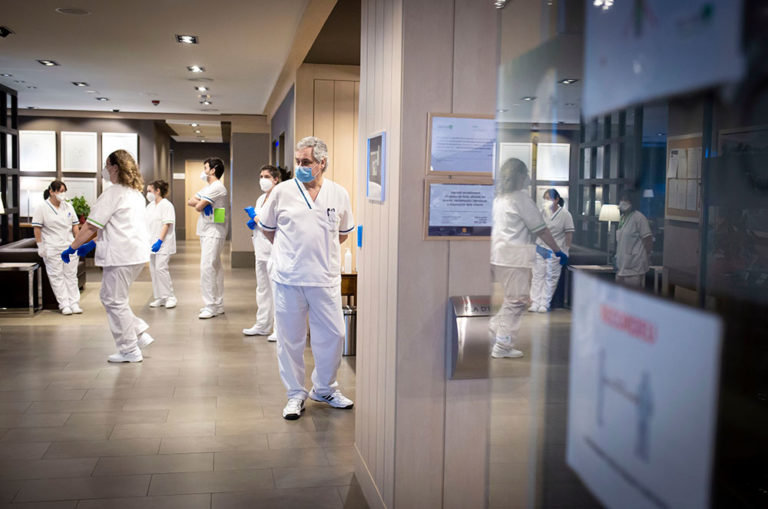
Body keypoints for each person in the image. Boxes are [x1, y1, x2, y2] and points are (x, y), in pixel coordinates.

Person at [259, 136, 355, 420]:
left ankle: (324, 388)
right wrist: (291, 253)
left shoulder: (338, 193)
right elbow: (267, 228)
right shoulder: (282, 192)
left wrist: (318, 252)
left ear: (322, 163)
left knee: (334, 335)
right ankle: (295, 394)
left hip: (324, 278)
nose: (300, 166)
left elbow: (343, 233)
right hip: (288, 278)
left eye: (306, 162)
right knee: (291, 339)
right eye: (298, 161)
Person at [61, 150, 155, 363]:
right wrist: (91, 244)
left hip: (121, 255)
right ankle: (138, 333)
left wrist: (72, 247)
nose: (104, 169)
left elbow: (91, 225)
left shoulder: (113, 194)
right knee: (112, 298)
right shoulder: (135, 194)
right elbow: (117, 226)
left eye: (107, 165)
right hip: (134, 254)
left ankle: (129, 349)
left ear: (115, 167)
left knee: (114, 300)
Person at [489, 158, 568, 359]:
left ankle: (495, 329)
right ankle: (502, 344)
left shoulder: (499, 198)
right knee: (517, 301)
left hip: (499, 256)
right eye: (526, 174)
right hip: (513, 258)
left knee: (513, 299)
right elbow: (541, 230)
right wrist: (558, 250)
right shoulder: (521, 199)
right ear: (520, 176)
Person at [243, 165, 282, 340]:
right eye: (260, 176)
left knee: (276, 290)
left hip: (273, 250)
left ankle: (279, 329)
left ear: (276, 179)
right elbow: (261, 221)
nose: (262, 180)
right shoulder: (261, 198)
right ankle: (263, 325)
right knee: (262, 289)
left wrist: (256, 218)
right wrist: (255, 221)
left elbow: (270, 223)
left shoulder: (279, 197)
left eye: (266, 176)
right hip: (260, 249)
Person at [31, 180, 82, 315]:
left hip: (69, 246)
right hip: (52, 247)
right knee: (57, 277)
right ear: (51, 192)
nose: (63, 194)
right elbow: (37, 228)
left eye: (64, 191)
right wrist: (40, 246)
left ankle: (74, 303)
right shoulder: (42, 207)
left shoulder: (68, 206)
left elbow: (75, 225)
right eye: (60, 191)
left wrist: (78, 243)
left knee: (71, 276)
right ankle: (64, 304)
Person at [187, 158, 228, 319]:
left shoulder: (217, 187)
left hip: (214, 231)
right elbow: (191, 201)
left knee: (207, 267)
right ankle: (217, 304)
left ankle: (210, 305)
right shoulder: (208, 188)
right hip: (207, 230)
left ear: (213, 170)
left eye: (205, 168)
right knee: (214, 267)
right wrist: (203, 202)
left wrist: (202, 203)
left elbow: (197, 206)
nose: (203, 171)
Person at [529, 189, 574, 312]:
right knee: (537, 276)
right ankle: (535, 302)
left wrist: (566, 250)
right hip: (540, 248)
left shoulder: (565, 215)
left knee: (550, 278)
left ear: (557, 199)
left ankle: (544, 303)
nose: (546, 201)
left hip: (556, 251)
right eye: (545, 199)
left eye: (549, 198)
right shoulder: (541, 212)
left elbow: (569, 233)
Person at [145, 179, 177, 309]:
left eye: (149, 191)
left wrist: (159, 241)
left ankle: (170, 297)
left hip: (163, 243)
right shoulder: (150, 206)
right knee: (153, 270)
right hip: (151, 243)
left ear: (157, 191)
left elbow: (166, 224)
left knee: (161, 268)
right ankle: (159, 297)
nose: (147, 193)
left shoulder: (166, 205)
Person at [615, 192, 653, 287]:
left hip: (634, 266)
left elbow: (648, 239)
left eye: (626, 200)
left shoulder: (639, 218)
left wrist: (648, 256)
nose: (623, 202)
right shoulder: (622, 218)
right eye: (622, 199)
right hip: (622, 266)